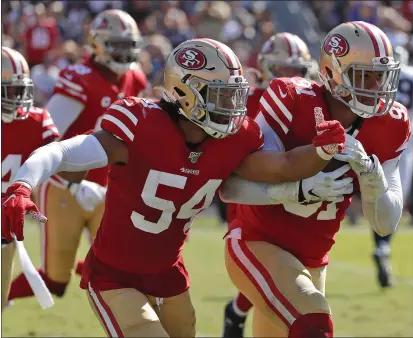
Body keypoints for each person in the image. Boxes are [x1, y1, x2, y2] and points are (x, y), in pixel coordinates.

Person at [2, 38, 346, 337]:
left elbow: (282, 167)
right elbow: (61, 151)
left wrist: (319, 152)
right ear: (184, 93)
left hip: (169, 275)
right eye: (220, 97)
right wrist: (22, 185)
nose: (232, 108)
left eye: (234, 96)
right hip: (114, 275)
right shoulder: (141, 124)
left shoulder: (235, 138)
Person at [220, 21, 410, 337]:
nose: (377, 88)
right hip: (258, 242)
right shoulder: (292, 98)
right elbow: (231, 188)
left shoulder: (391, 122)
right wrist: (297, 190)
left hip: (313, 261)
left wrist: (370, 172)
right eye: (367, 76)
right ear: (333, 72)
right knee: (314, 324)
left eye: (383, 76)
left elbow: (386, 223)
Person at [7, 9, 148, 302]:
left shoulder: (135, 77)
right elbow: (49, 137)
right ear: (97, 43)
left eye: (128, 44)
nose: (124, 51)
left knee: (122, 269)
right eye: (116, 44)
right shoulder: (80, 77)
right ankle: (3, 295)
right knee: (55, 281)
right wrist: (74, 183)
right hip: (65, 187)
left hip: (109, 188)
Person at [222, 32, 314, 338]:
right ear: (263, 67)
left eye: (296, 70)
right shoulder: (246, 97)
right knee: (262, 267)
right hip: (249, 190)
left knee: (283, 271)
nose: (288, 77)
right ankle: (236, 311)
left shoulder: (307, 99)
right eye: (281, 69)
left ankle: (236, 311)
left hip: (291, 192)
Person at [1, 46, 60, 309]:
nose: (18, 99)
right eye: (10, 91)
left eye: (21, 90)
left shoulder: (36, 121)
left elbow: (59, 159)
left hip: (5, 228)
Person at [369, 44, 413, 288]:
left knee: (377, 195)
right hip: (406, 140)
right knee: (395, 199)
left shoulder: (377, 72)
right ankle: (384, 246)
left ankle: (380, 245)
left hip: (377, 138)